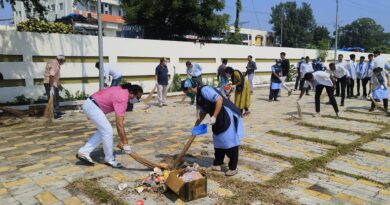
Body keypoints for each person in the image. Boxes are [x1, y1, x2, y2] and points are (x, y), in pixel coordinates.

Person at [181, 79, 244, 176]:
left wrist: (214, 116)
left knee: (229, 140)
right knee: (218, 139)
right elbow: (203, 112)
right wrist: (196, 125)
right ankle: (217, 164)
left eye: (185, 91)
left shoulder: (205, 90)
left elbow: (219, 99)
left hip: (225, 113)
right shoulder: (198, 97)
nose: (185, 93)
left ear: (190, 88)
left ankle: (233, 167)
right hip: (216, 116)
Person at [76, 83, 143, 168]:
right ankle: (109, 159)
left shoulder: (123, 90)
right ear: (132, 93)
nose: (137, 100)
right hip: (93, 107)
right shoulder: (122, 98)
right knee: (108, 131)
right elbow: (119, 124)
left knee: (103, 131)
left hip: (91, 104)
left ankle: (84, 152)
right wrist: (125, 143)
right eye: (137, 98)